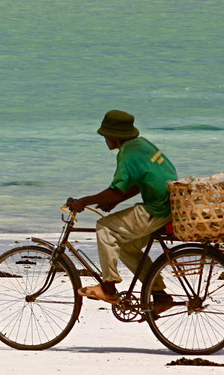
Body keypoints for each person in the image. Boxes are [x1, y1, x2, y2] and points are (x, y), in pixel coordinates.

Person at [66, 110, 178, 307]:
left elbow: (116, 190)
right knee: (126, 246)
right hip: (169, 206)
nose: (105, 140)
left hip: (155, 209)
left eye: (106, 135)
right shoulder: (142, 144)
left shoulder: (127, 154)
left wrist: (83, 201)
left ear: (115, 136)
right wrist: (116, 201)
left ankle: (108, 288)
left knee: (105, 227)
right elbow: (136, 182)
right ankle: (160, 295)